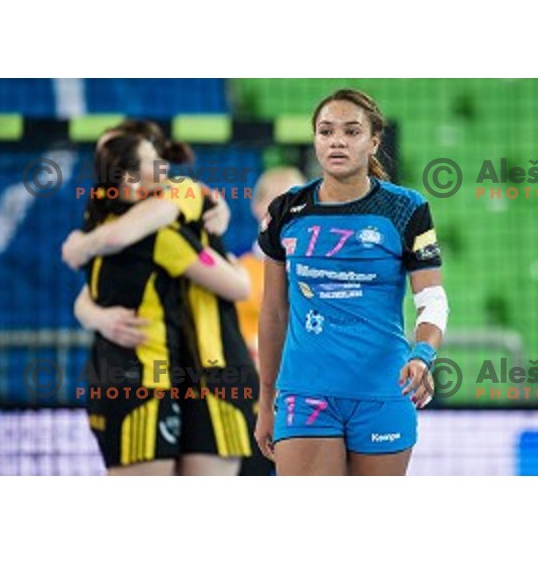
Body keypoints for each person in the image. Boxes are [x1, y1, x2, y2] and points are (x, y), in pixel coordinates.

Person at [255, 89, 449, 476]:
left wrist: (422, 355)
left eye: (351, 131)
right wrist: (266, 402)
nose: (337, 140)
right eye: (326, 132)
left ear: (374, 141)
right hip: (304, 393)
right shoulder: (286, 211)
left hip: (383, 392)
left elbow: (433, 300)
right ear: (315, 141)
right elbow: (274, 312)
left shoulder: (407, 208)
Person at [63, 130, 254, 476]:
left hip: (213, 373)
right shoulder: (118, 229)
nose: (165, 167)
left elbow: (241, 286)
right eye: (154, 159)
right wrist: (97, 316)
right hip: (150, 377)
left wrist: (80, 246)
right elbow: (94, 288)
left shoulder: (179, 198)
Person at [236, 167, 306, 360]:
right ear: (256, 206)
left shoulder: (318, 271)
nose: (286, 210)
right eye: (276, 200)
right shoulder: (236, 268)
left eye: (296, 202)